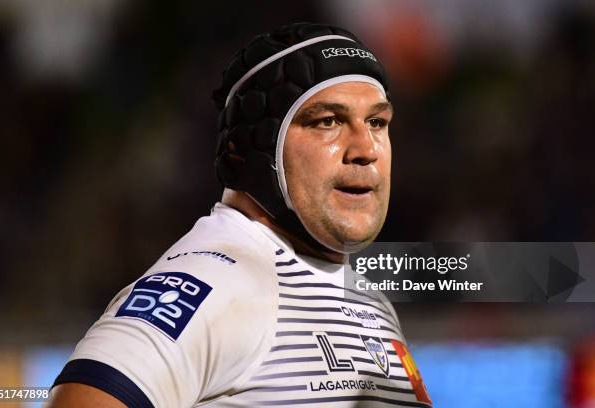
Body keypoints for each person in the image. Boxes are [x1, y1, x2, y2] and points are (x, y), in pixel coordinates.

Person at [47, 22, 432, 408]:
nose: (366, 148)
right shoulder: (214, 278)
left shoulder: (369, 300)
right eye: (327, 121)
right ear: (250, 151)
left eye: (377, 122)